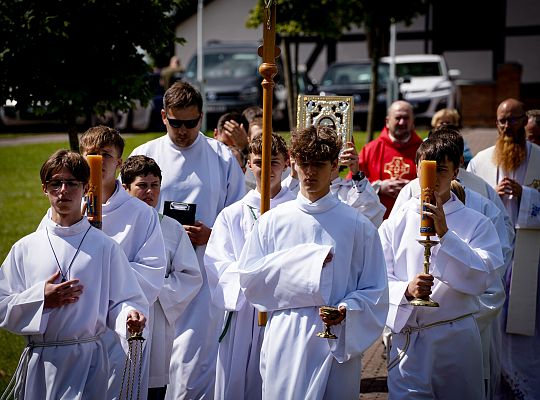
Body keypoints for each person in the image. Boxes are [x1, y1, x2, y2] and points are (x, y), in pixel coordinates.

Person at [237, 125, 389, 399]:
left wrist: (346, 310)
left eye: (319, 164)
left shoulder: (357, 226)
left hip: (337, 338)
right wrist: (308, 263)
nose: (310, 172)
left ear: (334, 168)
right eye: (304, 163)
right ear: (293, 164)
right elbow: (250, 280)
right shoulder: (272, 221)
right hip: (287, 334)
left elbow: (376, 290)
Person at [129, 81, 246, 399]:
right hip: (153, 273)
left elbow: (238, 214)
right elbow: (128, 209)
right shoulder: (145, 154)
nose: (183, 131)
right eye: (176, 122)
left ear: (202, 117)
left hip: (202, 272)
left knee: (194, 364)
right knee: (151, 361)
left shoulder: (220, 156)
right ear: (164, 116)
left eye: (191, 123)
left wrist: (213, 234)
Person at [0, 150, 148, 400]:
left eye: (71, 183)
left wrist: (129, 316)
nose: (63, 190)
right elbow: (3, 303)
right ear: (43, 189)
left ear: (86, 187)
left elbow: (124, 300)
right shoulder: (26, 248)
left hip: (89, 362)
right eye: (55, 183)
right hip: (44, 364)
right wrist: (41, 299)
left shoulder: (104, 247)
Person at [391, 126, 513, 398]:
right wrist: (406, 291)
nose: (432, 181)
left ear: (456, 172)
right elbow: (376, 276)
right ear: (416, 169)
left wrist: (446, 235)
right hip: (409, 339)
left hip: (455, 338)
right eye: (426, 171)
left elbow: (485, 276)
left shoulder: (477, 221)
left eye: (441, 172)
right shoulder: (397, 222)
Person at [74, 125, 167, 399]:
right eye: (90, 154)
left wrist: (105, 270)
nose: (98, 162)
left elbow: (151, 273)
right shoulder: (68, 206)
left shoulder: (141, 214)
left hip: (122, 322)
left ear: (119, 163)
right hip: (76, 321)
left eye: (105, 155)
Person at [204, 133, 295, 400]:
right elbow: (218, 263)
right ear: (248, 166)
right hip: (244, 313)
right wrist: (253, 281)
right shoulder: (233, 214)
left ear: (287, 163)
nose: (266, 170)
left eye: (274, 162)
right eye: (259, 162)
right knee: (240, 383)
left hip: (283, 308)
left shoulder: (297, 211)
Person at [467, 98, 540, 399]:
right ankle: (495, 385)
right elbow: (467, 207)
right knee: (493, 325)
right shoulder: (480, 162)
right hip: (494, 257)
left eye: (513, 120)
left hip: (530, 260)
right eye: (501, 121)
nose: (507, 126)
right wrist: (490, 200)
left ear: (524, 121)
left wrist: (528, 195)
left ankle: (528, 386)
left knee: (527, 328)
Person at [120, 155, 203, 400]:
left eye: (154, 185)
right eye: (142, 185)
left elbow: (189, 276)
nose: (149, 192)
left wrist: (153, 285)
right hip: (117, 317)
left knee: (152, 387)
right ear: (125, 188)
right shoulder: (114, 224)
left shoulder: (172, 228)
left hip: (155, 319)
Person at [283, 139, 386, 227]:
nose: (311, 170)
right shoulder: (295, 186)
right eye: (305, 162)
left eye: (319, 163)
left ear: (334, 163)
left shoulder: (353, 190)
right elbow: (278, 201)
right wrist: (294, 174)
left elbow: (371, 220)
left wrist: (356, 173)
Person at [355, 100, 423, 218]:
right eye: (398, 118)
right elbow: (352, 183)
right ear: (387, 121)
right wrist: (379, 187)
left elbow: (434, 184)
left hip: (413, 219)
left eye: (406, 118)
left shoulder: (423, 150)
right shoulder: (371, 149)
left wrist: (412, 187)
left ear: (413, 122)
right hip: (378, 220)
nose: (402, 122)